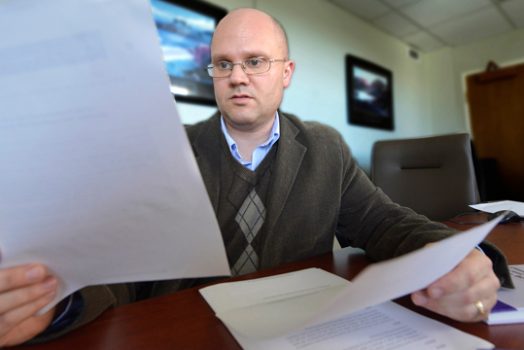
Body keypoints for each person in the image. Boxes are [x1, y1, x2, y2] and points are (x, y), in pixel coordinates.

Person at [0, 8, 511, 347]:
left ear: (286, 73)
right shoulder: (167, 149)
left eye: (255, 61)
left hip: (301, 331)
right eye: (223, 64)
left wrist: (462, 256)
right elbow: (115, 265)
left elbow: (385, 222)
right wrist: (58, 304)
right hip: (186, 333)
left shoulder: (326, 147)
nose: (238, 76)